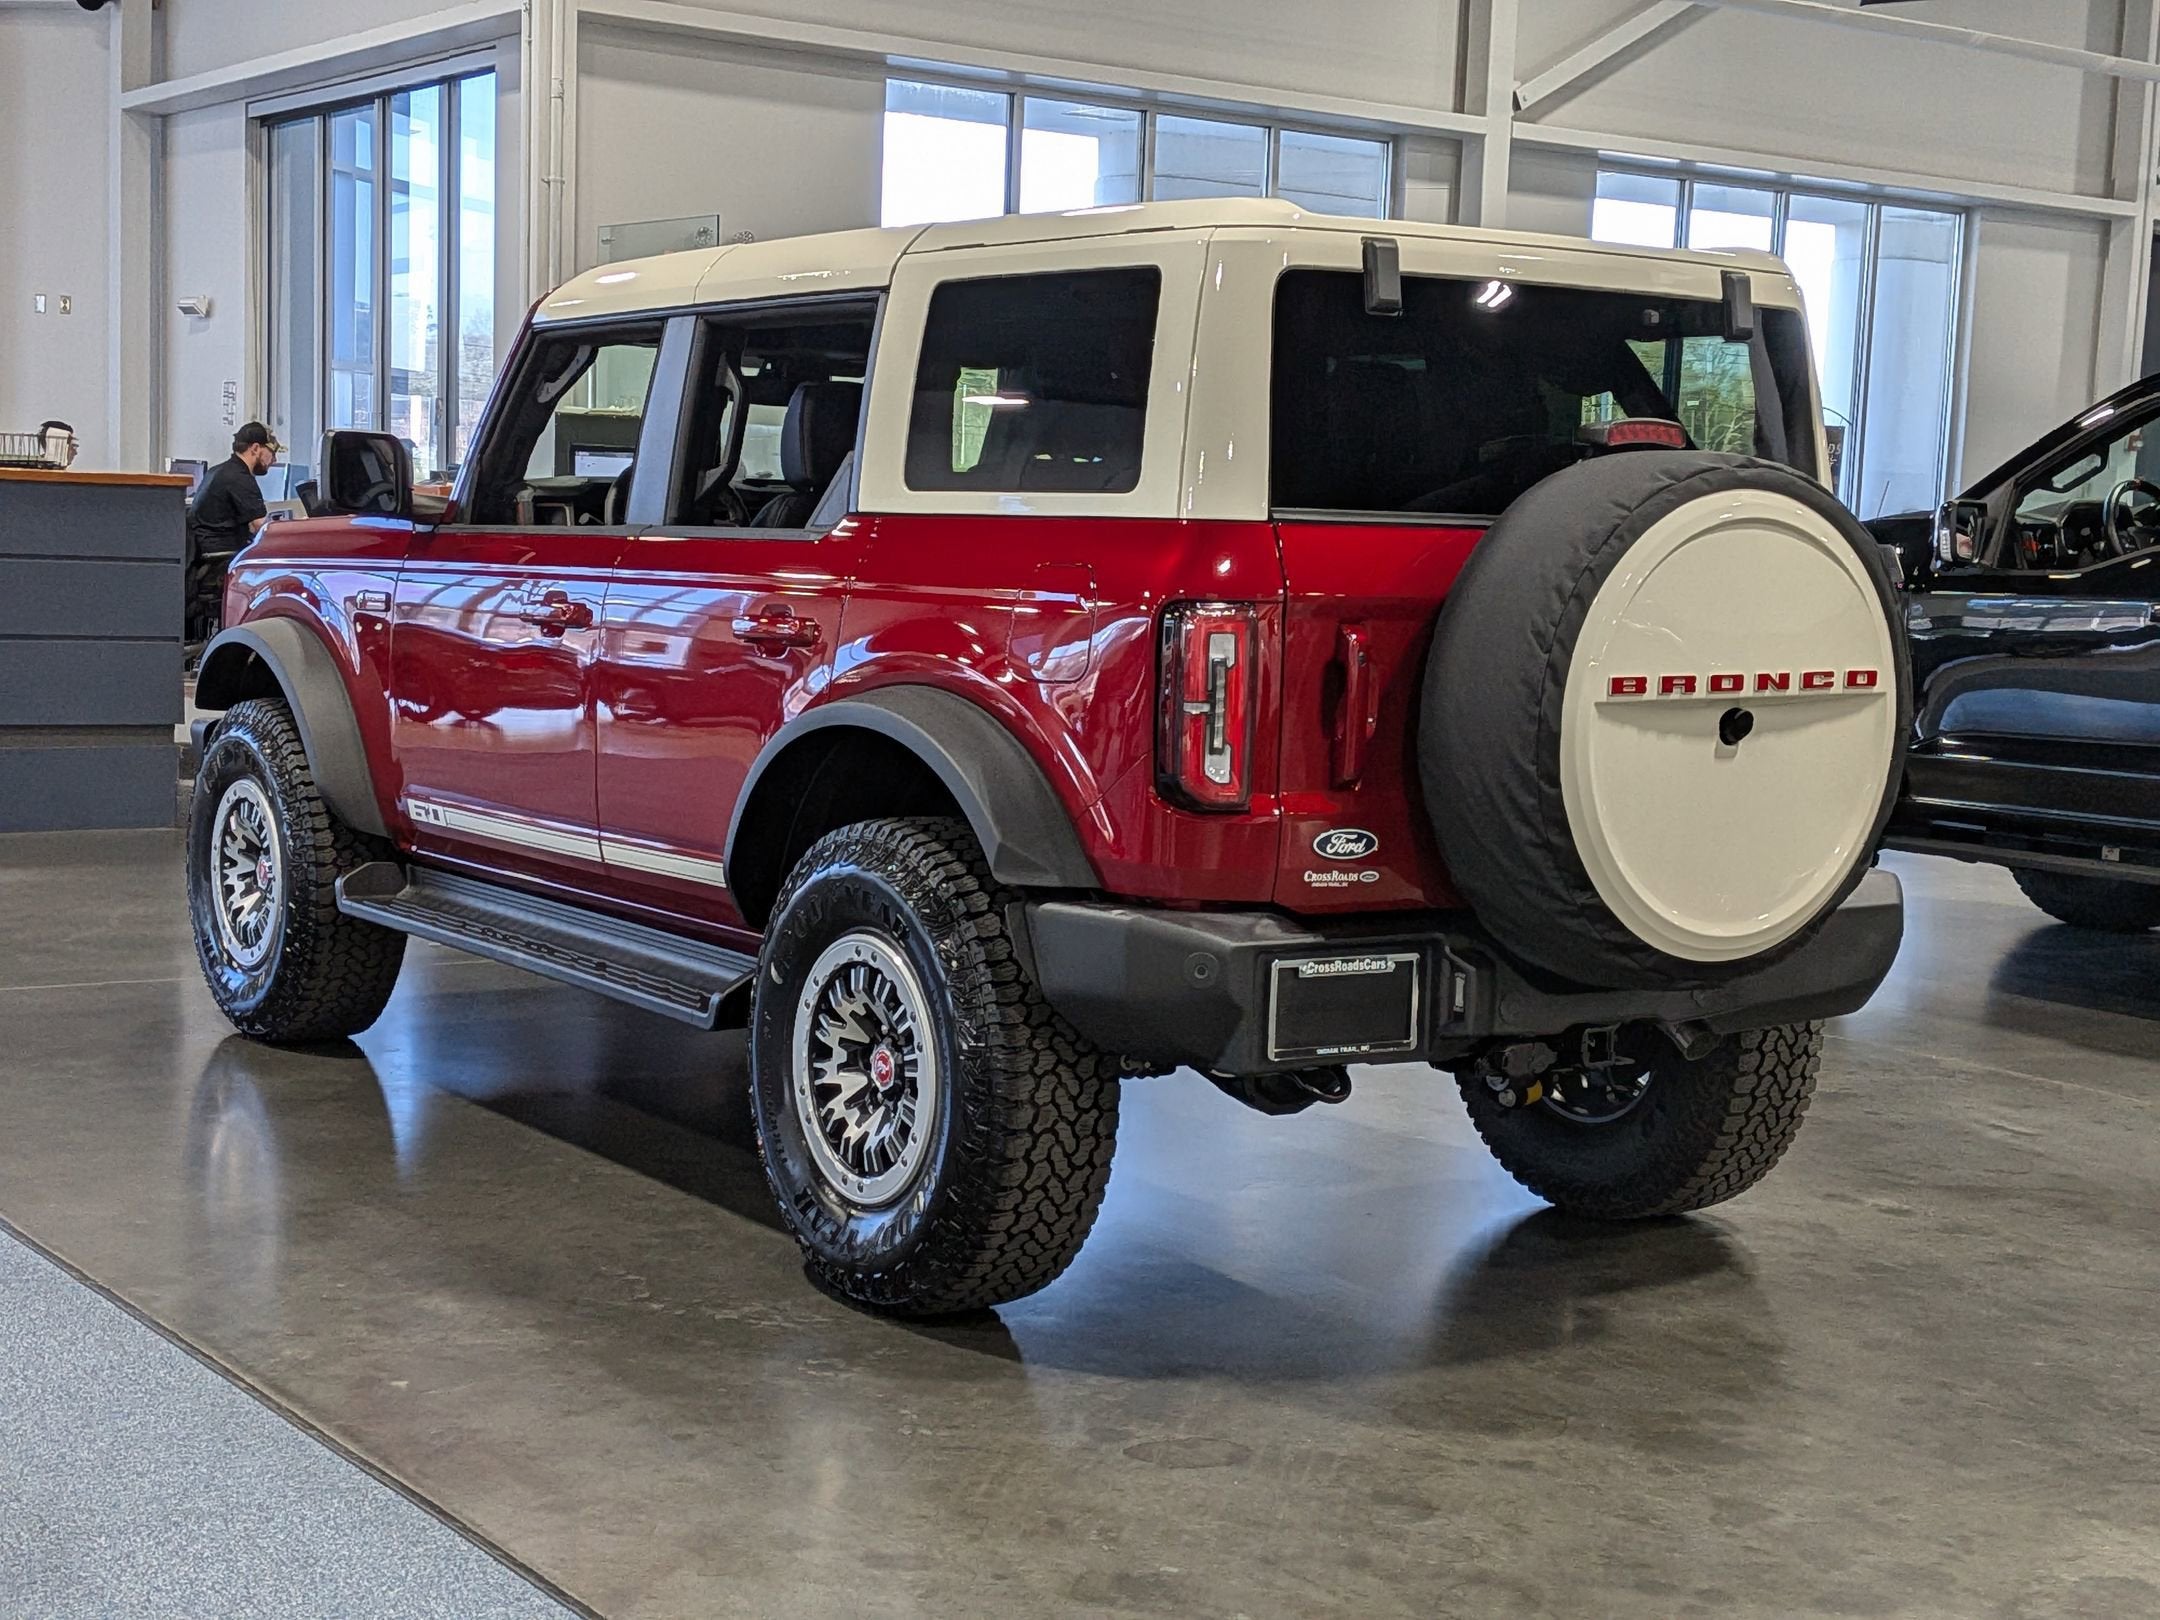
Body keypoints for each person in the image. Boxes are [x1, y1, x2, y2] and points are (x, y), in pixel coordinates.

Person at [185, 423, 282, 646]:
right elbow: (262, 527)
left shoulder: (219, 471)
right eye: (272, 452)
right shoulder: (240, 477)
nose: (274, 460)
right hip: (221, 561)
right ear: (256, 448)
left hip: (207, 557)